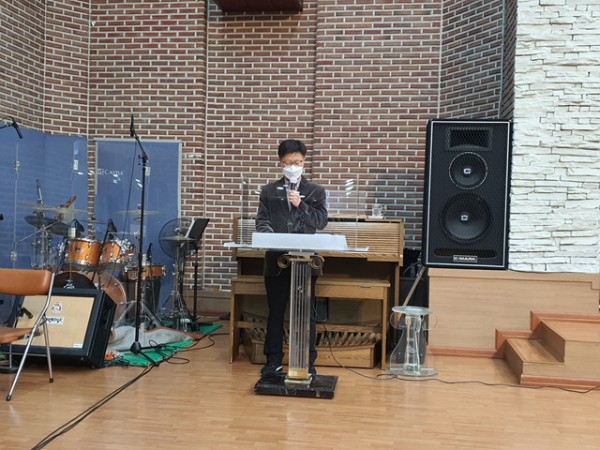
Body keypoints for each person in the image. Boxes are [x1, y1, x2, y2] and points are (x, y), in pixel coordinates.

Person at [255, 139, 328, 377]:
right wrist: (272, 238)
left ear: (304, 162)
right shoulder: (269, 191)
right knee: (275, 312)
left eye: (297, 162)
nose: (292, 166)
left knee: (306, 314)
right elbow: (261, 222)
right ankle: (273, 360)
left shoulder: (316, 191)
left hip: (306, 261)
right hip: (277, 261)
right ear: (280, 163)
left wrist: (301, 204)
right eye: (288, 162)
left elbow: (321, 222)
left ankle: (308, 361)